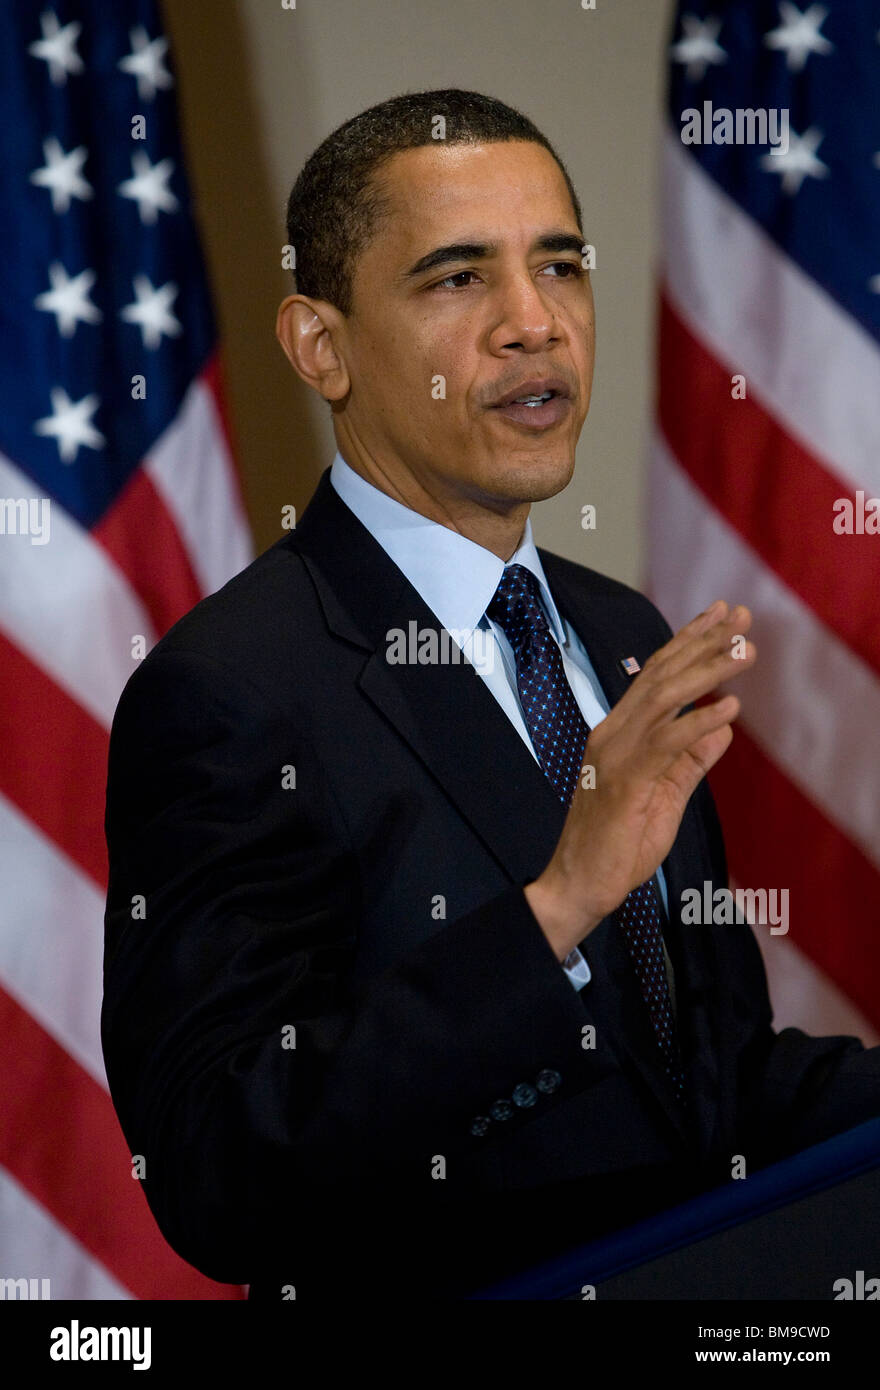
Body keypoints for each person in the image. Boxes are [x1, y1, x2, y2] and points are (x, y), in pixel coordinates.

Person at [101, 89, 880, 1301]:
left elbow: (703, 1084)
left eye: (559, 265)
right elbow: (217, 1171)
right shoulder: (230, 688)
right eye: (458, 279)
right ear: (322, 346)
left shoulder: (616, 628)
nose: (535, 324)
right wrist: (559, 903)